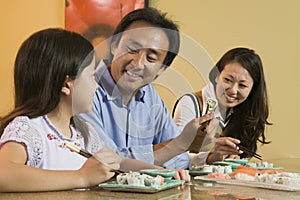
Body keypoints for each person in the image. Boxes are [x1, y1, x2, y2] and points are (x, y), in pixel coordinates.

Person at [0, 28, 189, 192]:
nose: (96, 86)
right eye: (91, 77)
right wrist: (82, 177)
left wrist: (161, 172)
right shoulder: (29, 129)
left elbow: (119, 162)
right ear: (67, 84)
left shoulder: (83, 133)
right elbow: (3, 174)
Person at [78, 7, 211, 169]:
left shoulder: (149, 95)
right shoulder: (83, 89)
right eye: (132, 49)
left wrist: (206, 156)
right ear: (113, 46)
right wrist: (179, 144)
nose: (137, 63)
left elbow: (177, 159)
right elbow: (104, 162)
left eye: (151, 58)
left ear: (161, 69)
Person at [172, 47, 271, 165]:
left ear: (253, 89)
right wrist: (209, 157)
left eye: (242, 85)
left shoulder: (242, 111)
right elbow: (174, 157)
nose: (233, 90)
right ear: (217, 76)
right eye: (228, 80)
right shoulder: (190, 103)